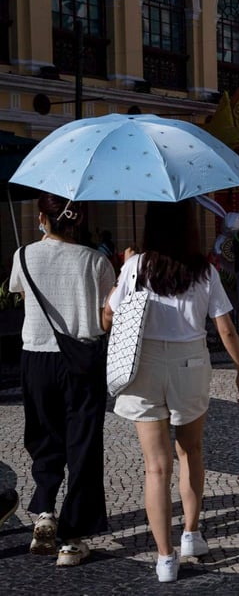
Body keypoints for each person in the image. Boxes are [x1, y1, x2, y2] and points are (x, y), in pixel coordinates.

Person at [104, 201, 239, 583]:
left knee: (155, 466)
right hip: (190, 364)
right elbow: (226, 328)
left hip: (145, 365)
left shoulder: (136, 266)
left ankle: (165, 559)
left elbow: (108, 317)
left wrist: (124, 271)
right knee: (191, 451)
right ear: (190, 227)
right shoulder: (204, 271)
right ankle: (190, 534)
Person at [9, 193, 116, 567]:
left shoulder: (22, 256)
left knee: (43, 434)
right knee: (82, 440)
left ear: (43, 219)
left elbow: (19, 292)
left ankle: (44, 512)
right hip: (82, 359)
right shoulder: (96, 260)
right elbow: (108, 314)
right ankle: (72, 539)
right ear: (78, 221)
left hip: (36, 356)